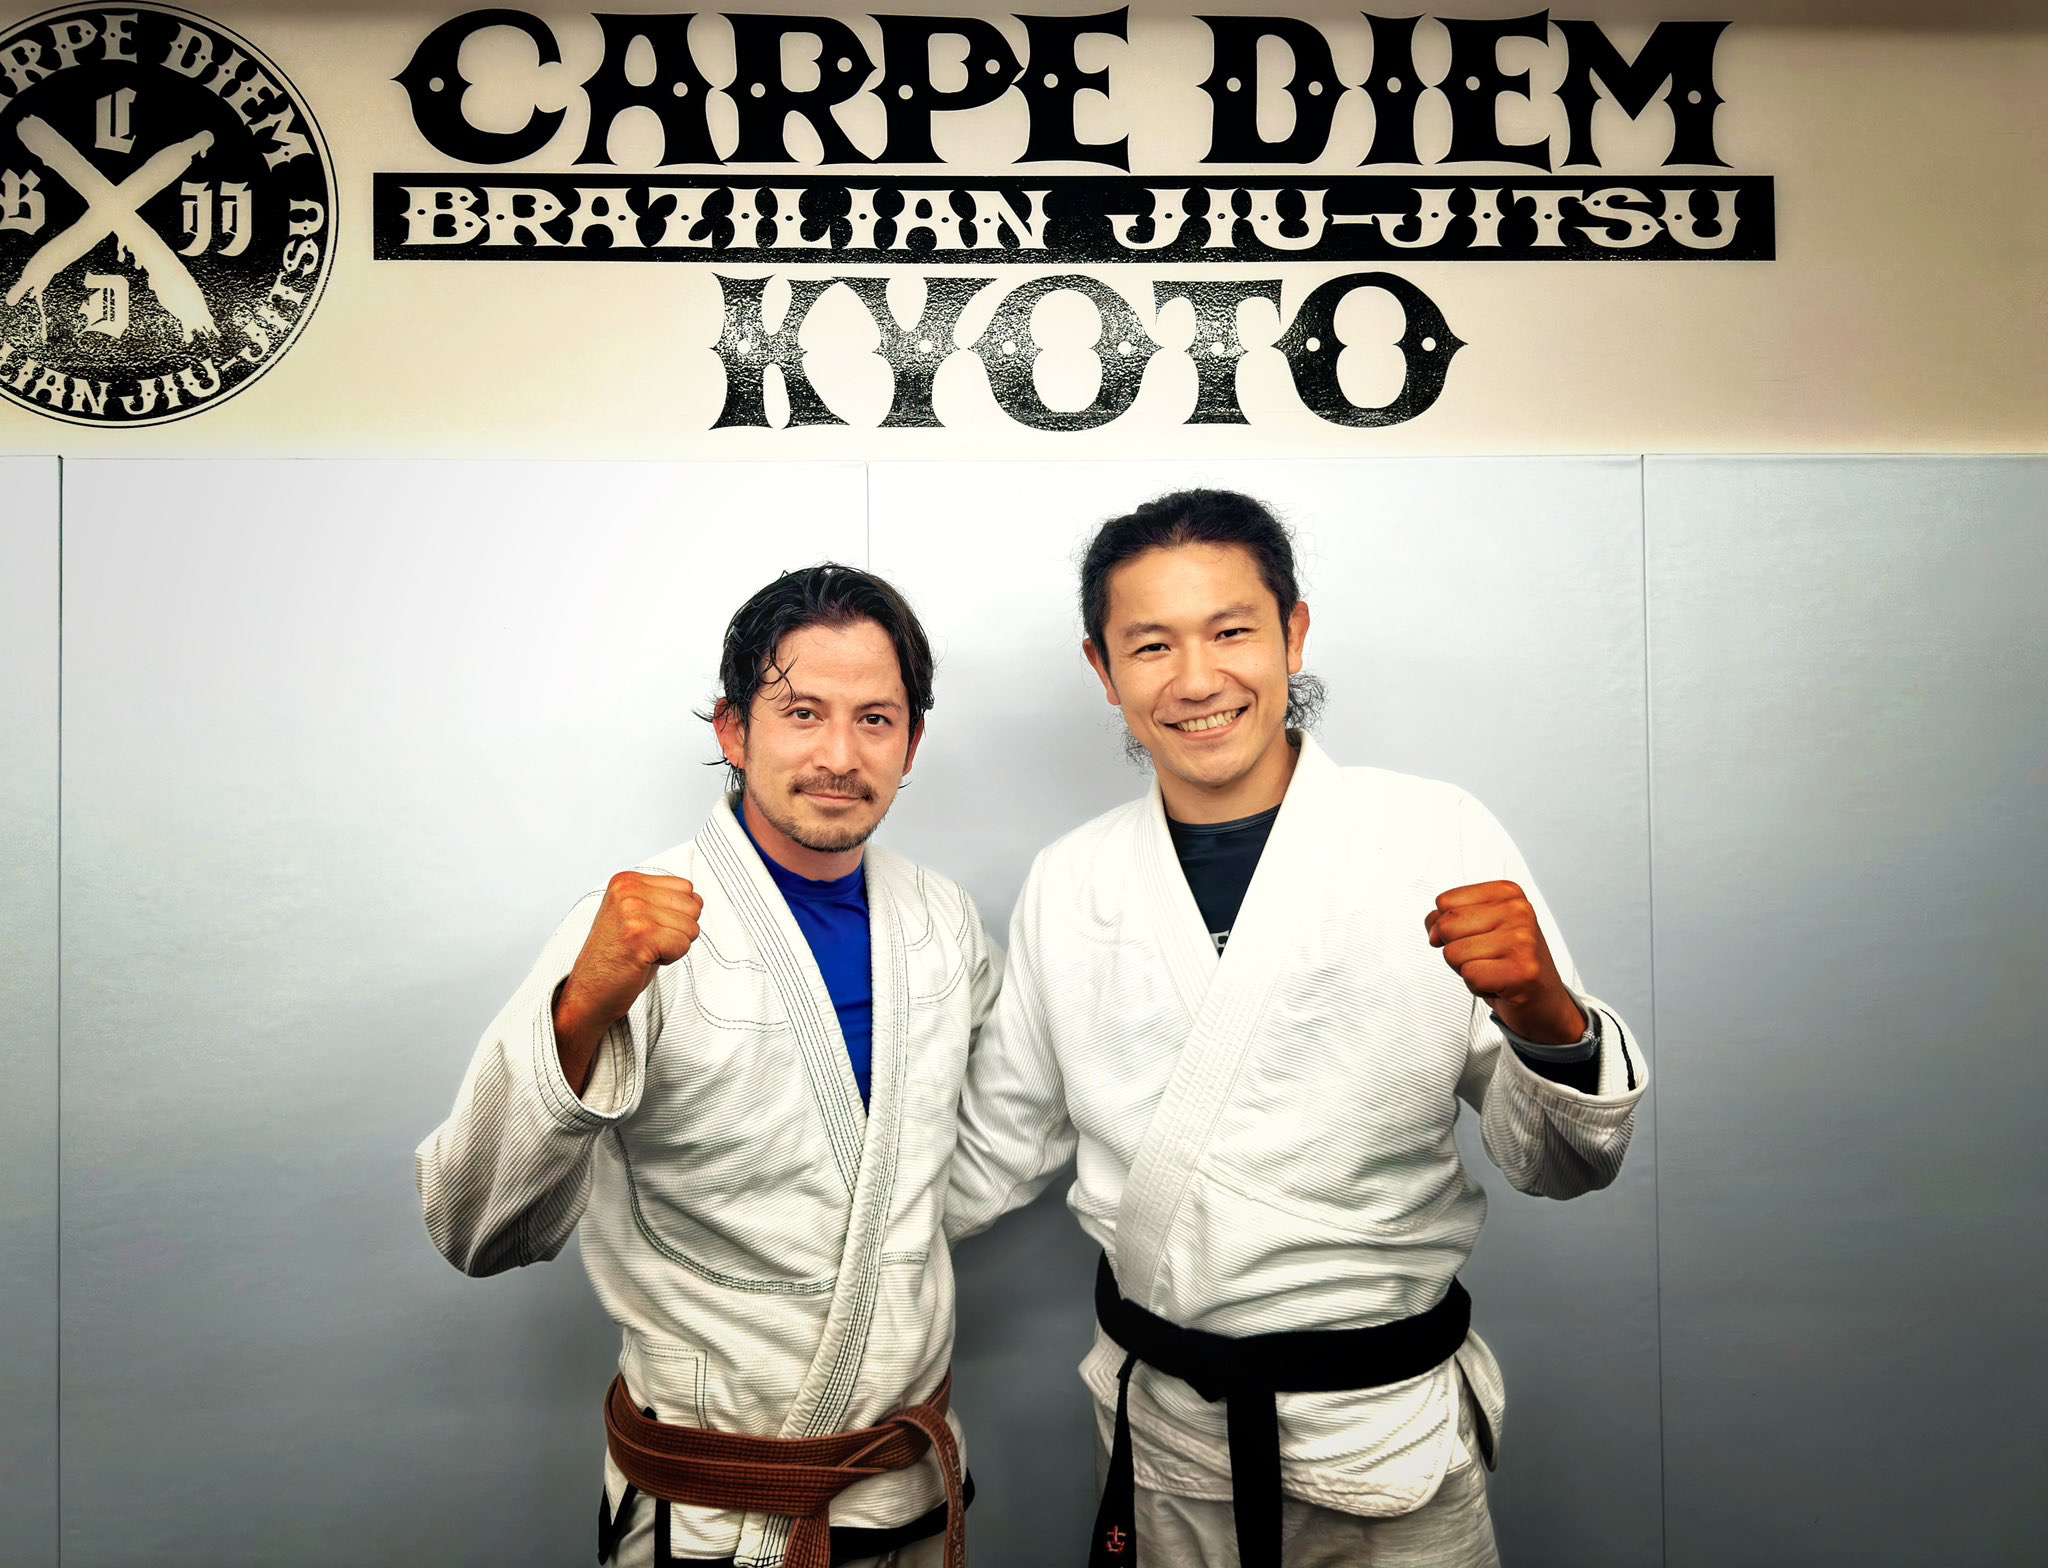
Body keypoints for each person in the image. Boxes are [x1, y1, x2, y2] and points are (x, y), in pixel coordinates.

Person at [944, 491, 1648, 1568]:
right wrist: (789, 1225)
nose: (1195, 679)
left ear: (1293, 633)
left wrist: (1548, 1018)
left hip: (1384, 1434)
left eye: (1230, 630)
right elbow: (994, 1147)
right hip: (1164, 1434)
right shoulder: (1071, 880)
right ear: (1103, 669)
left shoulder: (1431, 833)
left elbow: (1561, 1161)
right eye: (1151, 645)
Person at [419, 564, 994, 1568]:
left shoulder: (942, 921)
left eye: (875, 719)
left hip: (908, 1489)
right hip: (717, 1519)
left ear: (910, 744)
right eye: (802, 713)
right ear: (733, 730)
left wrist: (865, 1251)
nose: (839, 755)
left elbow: (959, 1162)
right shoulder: (632, 929)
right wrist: (585, 1003)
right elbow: (474, 1226)